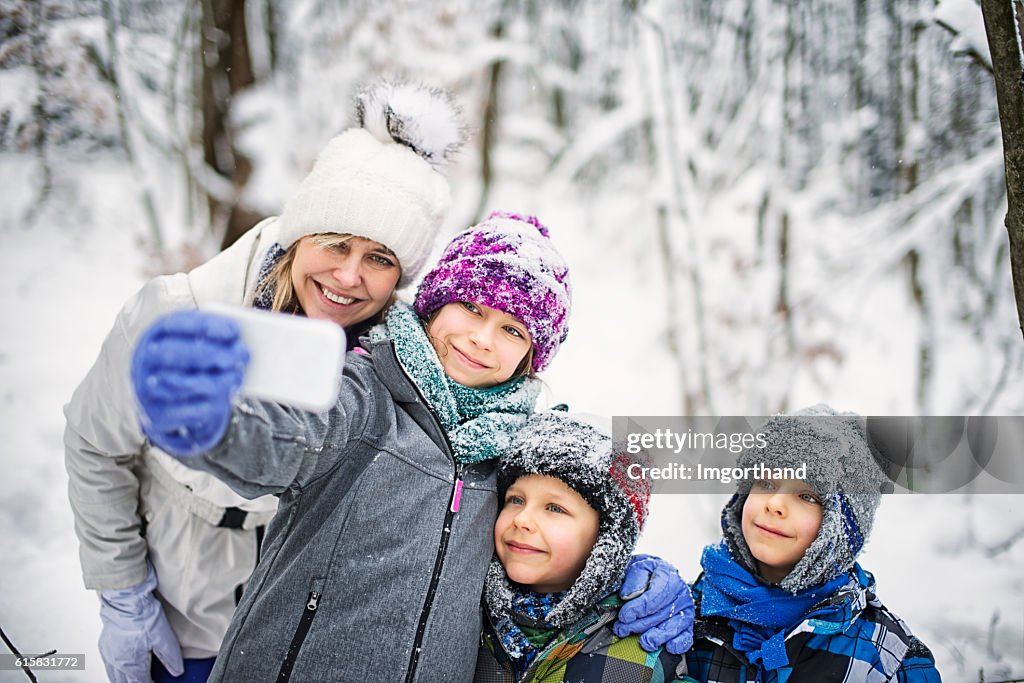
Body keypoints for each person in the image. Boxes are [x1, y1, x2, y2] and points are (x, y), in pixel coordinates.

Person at [128, 212, 693, 682]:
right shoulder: (362, 391)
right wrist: (216, 420)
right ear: (433, 305)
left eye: (512, 330)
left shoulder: (514, 456)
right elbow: (288, 441)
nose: (481, 338)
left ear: (529, 357)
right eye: (471, 309)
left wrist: (626, 576)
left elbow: (559, 540)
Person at [64, 80, 467, 683]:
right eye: (335, 243)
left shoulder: (389, 368)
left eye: (380, 259)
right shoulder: (179, 315)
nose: (349, 277)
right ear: (298, 234)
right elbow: (95, 446)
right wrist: (124, 596)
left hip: (297, 650)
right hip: (185, 628)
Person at [682, 405, 942, 682]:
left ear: (842, 529)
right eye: (766, 483)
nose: (775, 504)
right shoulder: (682, 616)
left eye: (807, 496)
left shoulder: (888, 658)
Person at [475, 411, 692, 682]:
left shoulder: (646, 646)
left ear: (606, 538)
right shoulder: (469, 612)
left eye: (555, 508)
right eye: (516, 500)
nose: (522, 519)